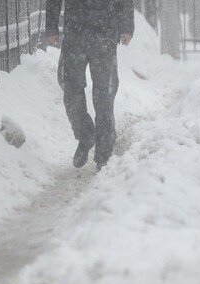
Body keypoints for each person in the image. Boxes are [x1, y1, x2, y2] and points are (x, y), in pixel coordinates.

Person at [46, 0, 134, 168]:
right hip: (75, 33)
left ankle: (103, 154)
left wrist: (127, 27)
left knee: (103, 96)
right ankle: (85, 135)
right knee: (71, 90)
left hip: (105, 35)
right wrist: (51, 27)